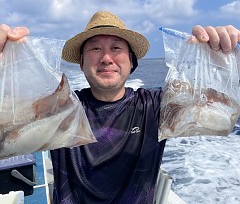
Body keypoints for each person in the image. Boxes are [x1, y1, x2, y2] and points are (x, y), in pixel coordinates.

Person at [0, 11, 239, 204]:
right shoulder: (61, 110)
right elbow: (7, 130)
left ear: (132, 62)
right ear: (81, 63)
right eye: (95, 48)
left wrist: (220, 63)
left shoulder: (156, 107)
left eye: (116, 48)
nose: (106, 58)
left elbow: (217, 108)